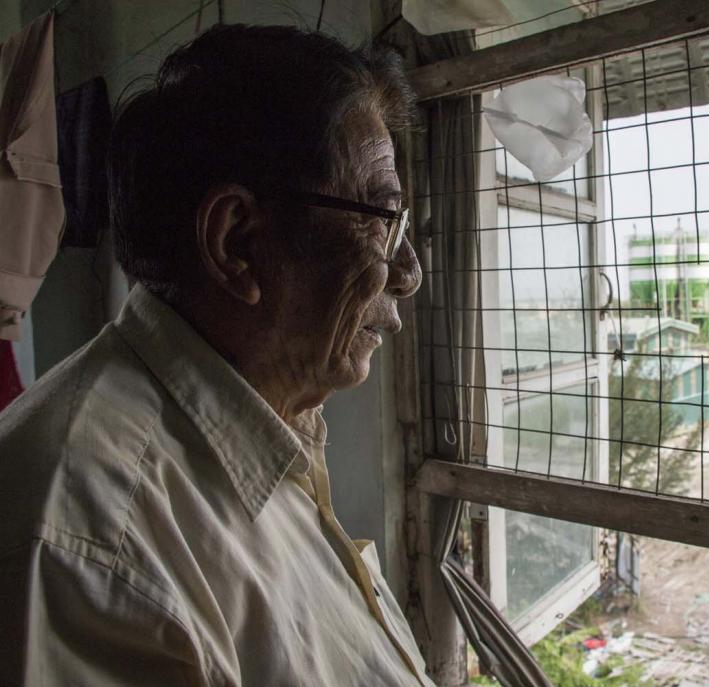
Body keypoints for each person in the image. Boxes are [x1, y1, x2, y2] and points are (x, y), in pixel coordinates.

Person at [0, 24, 432, 686]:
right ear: (235, 242)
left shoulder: (267, 432)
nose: (408, 269)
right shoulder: (90, 540)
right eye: (382, 220)